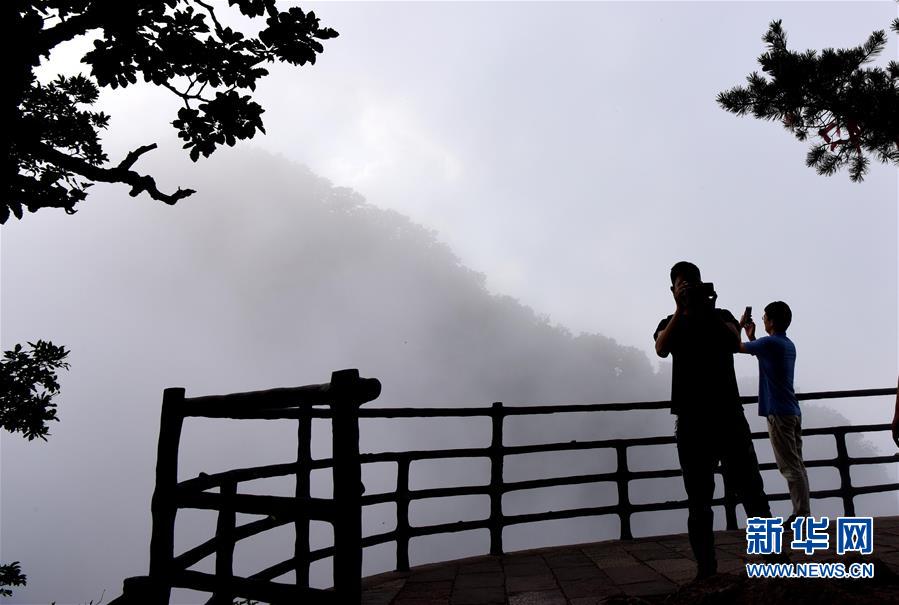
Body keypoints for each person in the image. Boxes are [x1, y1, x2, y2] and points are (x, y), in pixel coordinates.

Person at [654, 261, 771, 579]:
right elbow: (661, 348)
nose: (688, 288)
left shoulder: (721, 316)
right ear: (673, 290)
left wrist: (709, 307)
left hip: (728, 416)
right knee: (699, 501)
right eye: (682, 285)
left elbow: (735, 343)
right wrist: (681, 310)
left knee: (753, 493)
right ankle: (706, 572)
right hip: (692, 421)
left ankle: (772, 563)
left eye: (692, 283)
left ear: (703, 283)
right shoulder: (669, 322)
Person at [739, 301, 810, 523]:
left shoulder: (771, 343)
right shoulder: (786, 344)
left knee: (789, 467)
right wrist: (753, 337)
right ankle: (802, 512)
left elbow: (735, 347)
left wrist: (740, 326)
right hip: (791, 411)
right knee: (797, 463)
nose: (762, 320)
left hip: (779, 413)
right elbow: (762, 356)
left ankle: (802, 516)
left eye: (764, 317)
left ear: (771, 321)